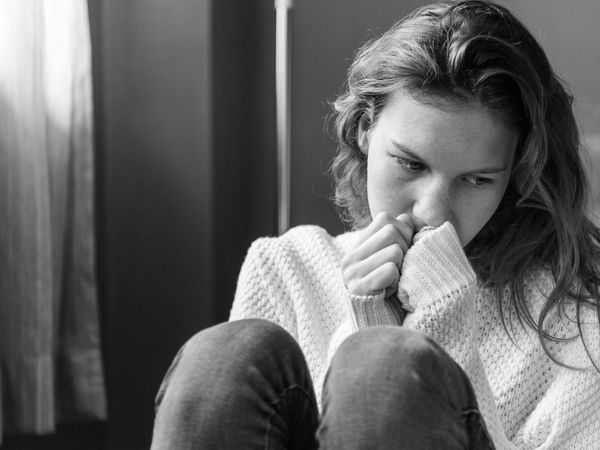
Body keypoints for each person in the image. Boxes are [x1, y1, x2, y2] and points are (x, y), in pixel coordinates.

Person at [151, 1, 600, 448]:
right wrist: (364, 326)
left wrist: (442, 335)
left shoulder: (570, 311)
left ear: (516, 173)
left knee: (384, 365)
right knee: (225, 355)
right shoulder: (286, 268)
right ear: (366, 129)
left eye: (477, 180)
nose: (432, 213)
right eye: (411, 164)